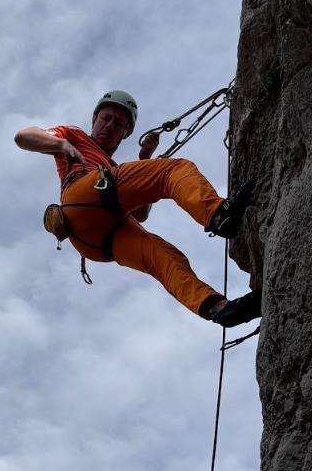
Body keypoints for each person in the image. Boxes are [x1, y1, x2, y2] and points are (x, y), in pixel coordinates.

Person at [15, 91, 260, 326]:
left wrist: (145, 160)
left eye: (118, 124)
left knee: (164, 256)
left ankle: (218, 308)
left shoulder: (113, 169)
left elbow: (140, 215)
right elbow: (24, 136)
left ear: (126, 133)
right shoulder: (74, 136)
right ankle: (218, 215)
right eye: (106, 118)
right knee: (173, 169)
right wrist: (60, 144)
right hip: (84, 195)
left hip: (95, 240)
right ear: (95, 118)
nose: (110, 125)